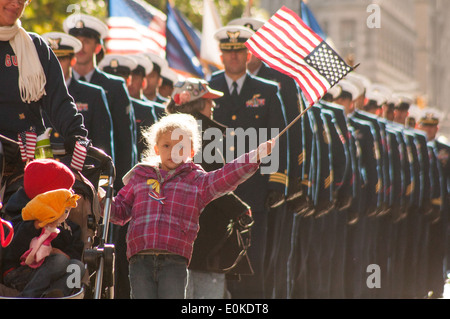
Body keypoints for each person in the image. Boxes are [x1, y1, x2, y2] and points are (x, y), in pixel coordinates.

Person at [104, 112, 275, 299]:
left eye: (180, 146)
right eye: (166, 145)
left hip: (174, 261)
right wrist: (99, 199)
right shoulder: (139, 177)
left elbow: (225, 177)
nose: (172, 151)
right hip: (139, 260)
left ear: (191, 152)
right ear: (156, 149)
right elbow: (119, 212)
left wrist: (254, 156)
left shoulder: (196, 181)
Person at [165, 78, 254, 299]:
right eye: (207, 101)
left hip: (169, 234)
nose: (213, 106)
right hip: (204, 235)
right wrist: (241, 210)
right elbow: (213, 183)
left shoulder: (164, 133)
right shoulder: (204, 133)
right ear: (196, 104)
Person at [0, 0, 89, 197]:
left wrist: (78, 137)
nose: (16, 3)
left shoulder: (36, 47)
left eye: (22, 0)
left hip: (27, 167)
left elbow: (59, 102)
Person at [63, 13, 137, 191]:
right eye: (77, 41)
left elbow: (124, 142)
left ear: (98, 47)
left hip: (99, 177)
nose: (81, 47)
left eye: (86, 41)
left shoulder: (114, 86)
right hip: (68, 174)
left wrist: (116, 187)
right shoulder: (61, 86)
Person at [41, 31, 114, 161]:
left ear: (73, 61)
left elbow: (102, 143)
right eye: (52, 60)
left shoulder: (93, 94)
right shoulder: (33, 93)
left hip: (78, 170)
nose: (56, 65)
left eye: (61, 59)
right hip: (42, 166)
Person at [2, 188, 85, 298]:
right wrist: (34, 226)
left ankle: (54, 295)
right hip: (19, 271)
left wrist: (60, 253)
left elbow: (76, 250)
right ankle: (27, 296)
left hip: (52, 272)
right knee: (60, 260)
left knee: (77, 267)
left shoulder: (69, 227)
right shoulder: (23, 219)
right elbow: (11, 249)